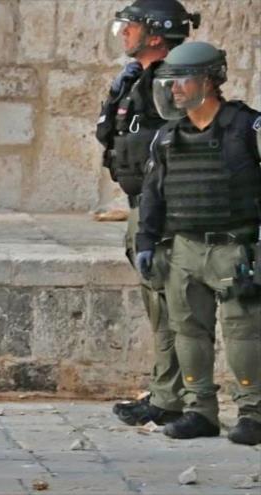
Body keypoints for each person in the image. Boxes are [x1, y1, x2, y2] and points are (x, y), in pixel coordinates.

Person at [137, 41, 261, 445]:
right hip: (184, 249)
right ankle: (199, 411)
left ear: (208, 81)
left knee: (243, 333)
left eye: (181, 80)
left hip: (235, 248)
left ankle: (252, 412)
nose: (173, 90)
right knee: (188, 331)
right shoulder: (169, 137)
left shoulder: (247, 128)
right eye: (168, 82)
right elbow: (153, 194)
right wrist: (146, 242)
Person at [96, 0, 199, 427]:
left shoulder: (174, 83)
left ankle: (176, 399)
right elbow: (110, 132)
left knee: (172, 305)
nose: (124, 33)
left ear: (155, 35)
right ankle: (166, 393)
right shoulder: (137, 80)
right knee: (158, 304)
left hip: (164, 208)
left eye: (132, 27)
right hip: (141, 204)